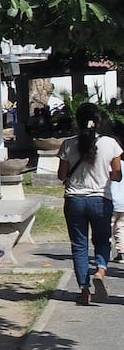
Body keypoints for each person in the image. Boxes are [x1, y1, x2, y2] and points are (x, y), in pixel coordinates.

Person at [58, 101, 123, 305]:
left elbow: (62, 175)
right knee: (102, 241)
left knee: (79, 245)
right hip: (100, 200)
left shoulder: (68, 144)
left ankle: (84, 290)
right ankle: (101, 270)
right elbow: (117, 176)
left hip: (74, 200)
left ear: (78, 122)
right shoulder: (110, 143)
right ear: (98, 121)